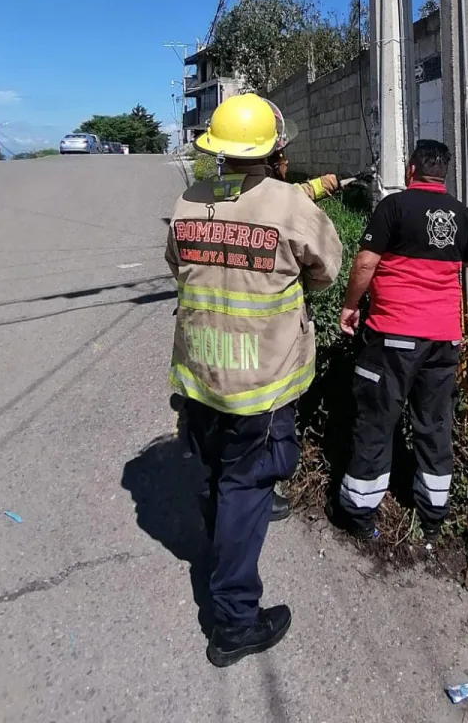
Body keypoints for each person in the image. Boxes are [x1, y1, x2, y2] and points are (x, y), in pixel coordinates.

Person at [166, 93, 343, 666]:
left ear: (215, 148)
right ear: (273, 147)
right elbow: (327, 270)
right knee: (246, 487)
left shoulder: (189, 200)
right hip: (259, 383)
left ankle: (221, 541)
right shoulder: (288, 204)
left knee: (216, 470)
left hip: (200, 372)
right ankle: (235, 621)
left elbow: (175, 263)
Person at [333, 139, 468, 540]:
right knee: (434, 424)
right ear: (444, 176)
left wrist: (350, 306)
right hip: (444, 340)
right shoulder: (461, 213)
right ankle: (433, 517)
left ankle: (361, 514)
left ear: (410, 171)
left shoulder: (394, 207)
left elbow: (366, 261)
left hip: (393, 336)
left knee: (376, 421)